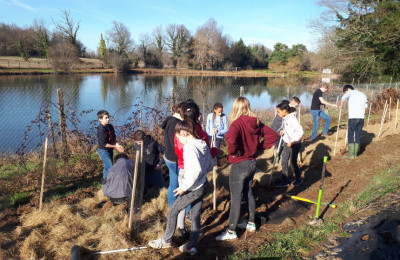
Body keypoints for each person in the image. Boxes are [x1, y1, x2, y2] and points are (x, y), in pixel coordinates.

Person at [216, 97, 278, 241]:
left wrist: (232, 152)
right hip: (251, 163)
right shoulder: (256, 122)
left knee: (236, 197)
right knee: (248, 192)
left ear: (236, 108)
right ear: (248, 106)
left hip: (239, 165)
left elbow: (231, 140)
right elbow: (272, 136)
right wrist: (258, 148)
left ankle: (231, 231)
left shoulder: (236, 124)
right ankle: (251, 223)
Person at [148, 120, 213, 255]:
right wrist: (201, 177)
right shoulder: (202, 143)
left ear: (184, 133)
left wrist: (184, 186)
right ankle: (191, 245)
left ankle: (166, 240)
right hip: (202, 184)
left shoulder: (189, 147)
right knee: (195, 215)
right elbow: (209, 164)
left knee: (174, 211)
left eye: (177, 135)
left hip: (192, 188)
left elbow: (195, 170)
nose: (177, 139)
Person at [161, 102, 185, 207]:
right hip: (174, 158)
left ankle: (172, 207)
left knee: (174, 181)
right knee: (176, 183)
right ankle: (174, 207)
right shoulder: (175, 124)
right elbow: (175, 143)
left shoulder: (170, 120)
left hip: (169, 156)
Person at [275, 102, 304, 187]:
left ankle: (298, 178)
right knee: (283, 160)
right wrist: (284, 131)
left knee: (292, 162)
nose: (278, 113)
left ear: (284, 111)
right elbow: (289, 128)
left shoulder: (292, 119)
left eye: (278, 111)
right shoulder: (285, 118)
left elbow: (300, 131)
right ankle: (285, 181)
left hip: (294, 144)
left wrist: (293, 141)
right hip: (287, 143)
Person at [339, 85, 368, 159]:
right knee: (358, 134)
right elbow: (366, 107)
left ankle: (351, 155)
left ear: (348, 90)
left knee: (351, 134)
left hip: (353, 117)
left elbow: (343, 98)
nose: (346, 93)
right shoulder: (363, 94)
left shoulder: (350, 92)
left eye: (345, 92)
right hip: (361, 118)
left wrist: (341, 106)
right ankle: (355, 155)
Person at [97, 110, 124, 181]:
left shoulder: (110, 126)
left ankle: (104, 179)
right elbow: (104, 144)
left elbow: (113, 138)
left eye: (108, 117)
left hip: (110, 149)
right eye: (106, 118)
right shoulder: (101, 130)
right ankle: (109, 181)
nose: (108, 119)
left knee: (108, 166)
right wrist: (115, 147)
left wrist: (117, 144)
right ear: (100, 119)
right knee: (110, 167)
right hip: (103, 151)